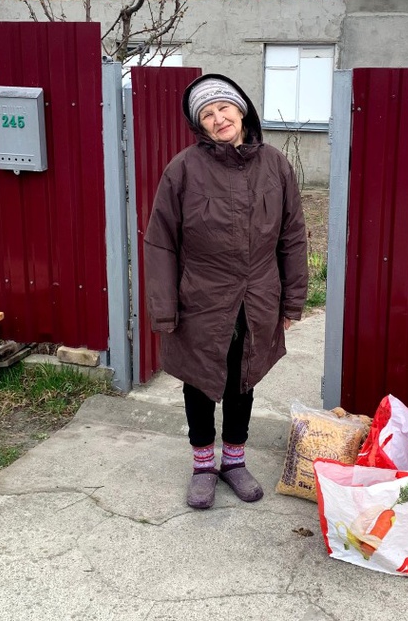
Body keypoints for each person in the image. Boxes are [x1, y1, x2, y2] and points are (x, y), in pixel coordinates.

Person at [144, 73, 308, 510]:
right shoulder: (183, 169)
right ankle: (203, 466)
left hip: (258, 296)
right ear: (199, 125)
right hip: (201, 297)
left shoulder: (275, 164)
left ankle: (234, 461)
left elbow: (293, 235)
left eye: (224, 108)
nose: (219, 119)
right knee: (199, 381)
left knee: (243, 378)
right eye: (207, 114)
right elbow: (161, 242)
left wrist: (293, 300)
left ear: (241, 110)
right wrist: (164, 308)